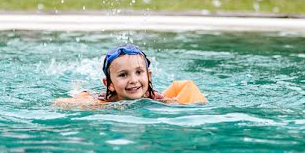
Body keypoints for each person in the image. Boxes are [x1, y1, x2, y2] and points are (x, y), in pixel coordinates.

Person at [55, 44, 207, 106]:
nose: (133, 80)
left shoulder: (154, 98)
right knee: (80, 92)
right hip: (99, 98)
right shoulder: (105, 102)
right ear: (109, 84)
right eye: (123, 75)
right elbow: (60, 103)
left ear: (149, 76)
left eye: (139, 72)